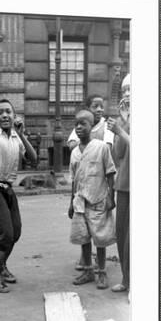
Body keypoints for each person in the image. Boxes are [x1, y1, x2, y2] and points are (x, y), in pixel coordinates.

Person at [0, 100, 37, 293]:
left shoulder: (16, 137)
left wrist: (21, 134)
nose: (5, 115)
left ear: (14, 116)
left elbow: (33, 159)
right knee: (5, 233)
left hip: (8, 189)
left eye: (8, 112)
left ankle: (2, 266)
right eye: (0, 113)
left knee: (16, 232)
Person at [68, 109, 116, 290]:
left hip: (98, 200)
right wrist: (71, 203)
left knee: (100, 238)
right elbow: (74, 180)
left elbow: (110, 173)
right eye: (76, 124)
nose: (79, 127)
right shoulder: (74, 153)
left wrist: (112, 197)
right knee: (84, 237)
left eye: (83, 123)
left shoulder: (101, 147)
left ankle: (102, 271)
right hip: (80, 202)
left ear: (92, 126)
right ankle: (88, 270)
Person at [108, 74, 130, 299]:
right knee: (122, 234)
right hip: (124, 184)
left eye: (131, 89)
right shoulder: (124, 118)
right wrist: (122, 124)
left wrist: (122, 130)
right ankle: (126, 279)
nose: (127, 94)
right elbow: (119, 154)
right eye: (124, 90)